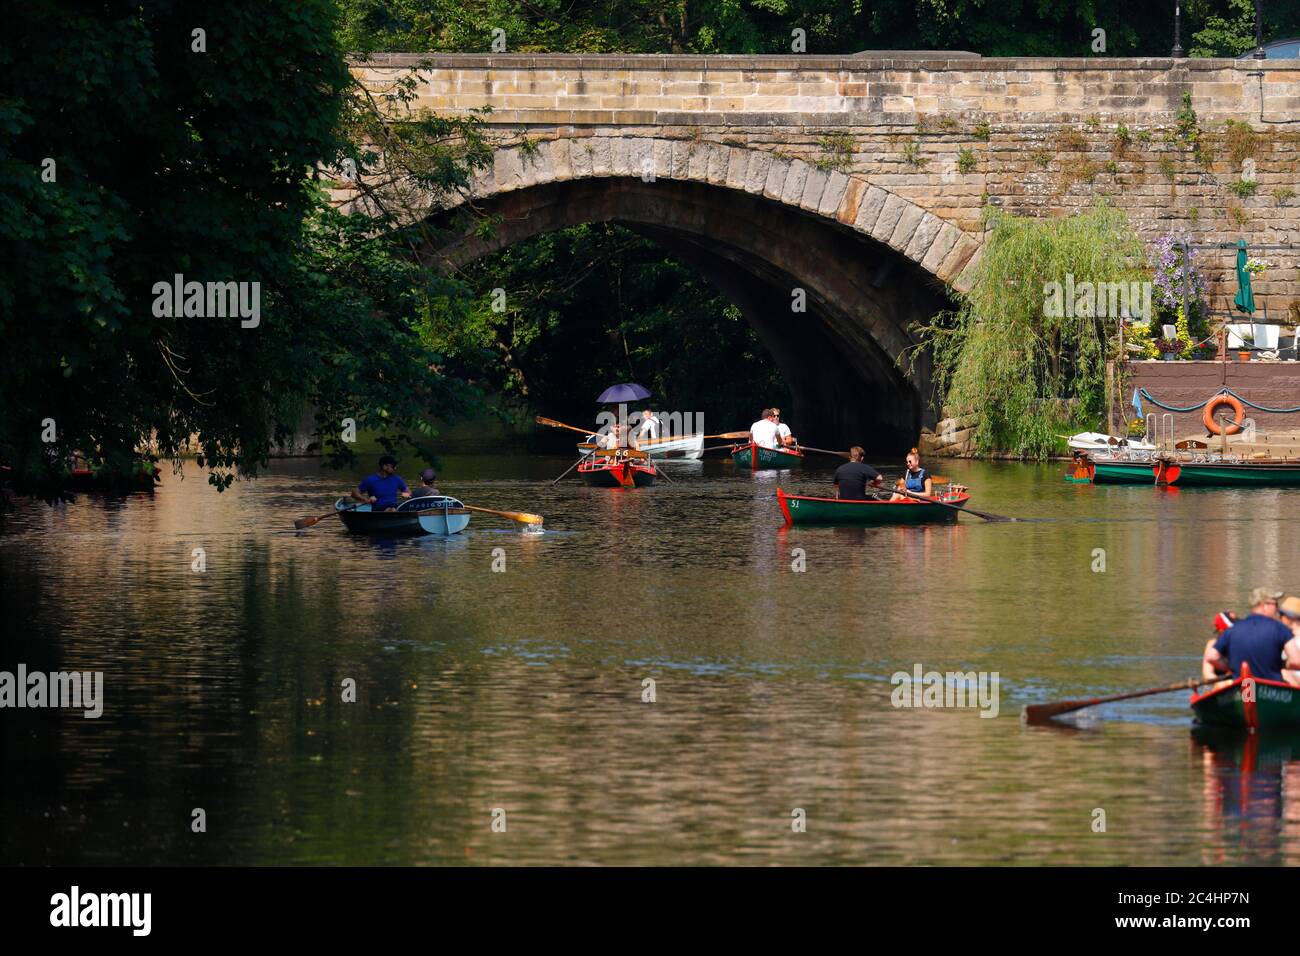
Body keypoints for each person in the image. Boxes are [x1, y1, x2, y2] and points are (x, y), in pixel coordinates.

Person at [1202, 587, 1300, 687]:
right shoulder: (1281, 629)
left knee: (1248, 694)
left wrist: (1231, 667)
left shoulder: (1232, 630)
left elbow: (1211, 657)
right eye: (1275, 604)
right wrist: (1280, 664)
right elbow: (1296, 662)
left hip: (1243, 688)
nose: (1277, 609)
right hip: (1271, 689)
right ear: (1264, 606)